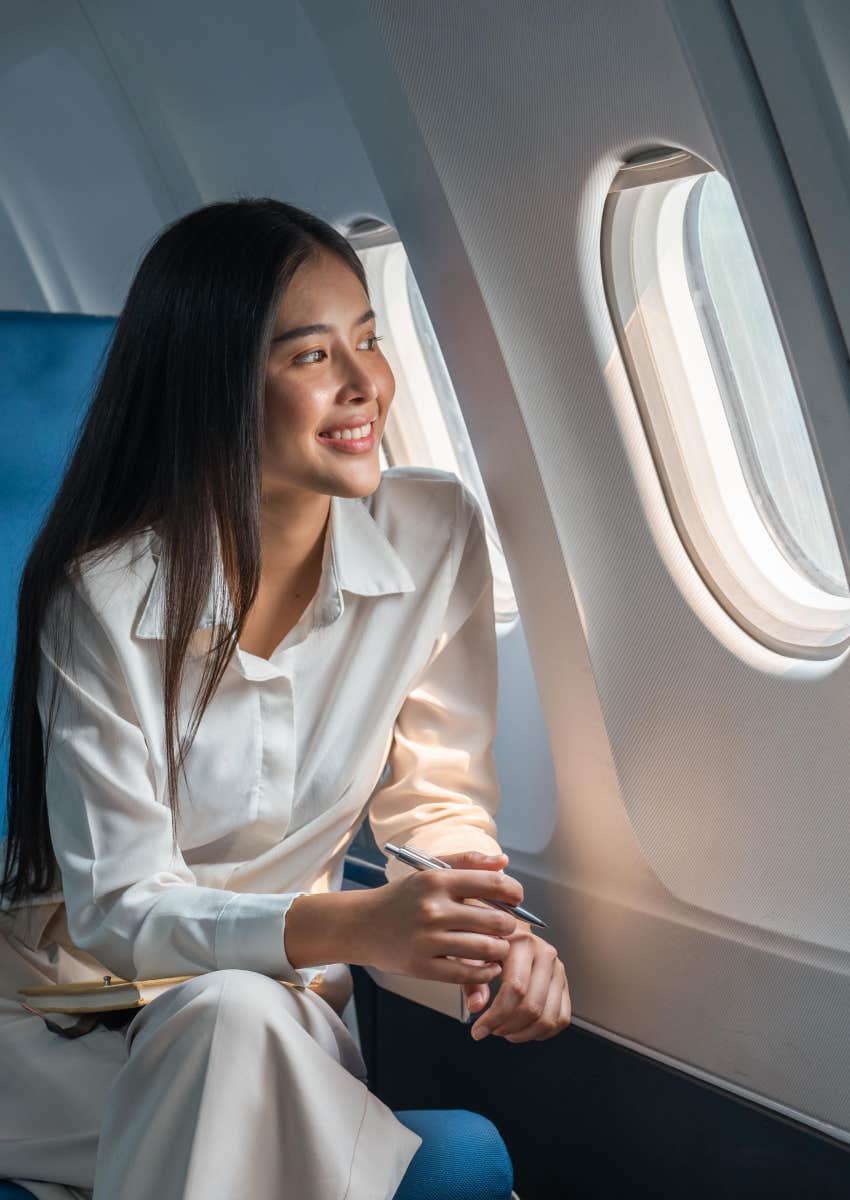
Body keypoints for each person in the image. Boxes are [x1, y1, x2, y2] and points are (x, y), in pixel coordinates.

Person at [0, 197, 571, 1200]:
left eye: (368, 339)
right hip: (69, 1027)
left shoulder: (436, 531)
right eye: (310, 358)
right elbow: (118, 909)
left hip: (272, 1013)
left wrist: (489, 930)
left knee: (235, 1021)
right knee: (233, 1031)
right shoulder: (101, 596)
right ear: (213, 386)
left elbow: (435, 799)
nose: (366, 385)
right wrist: (356, 927)